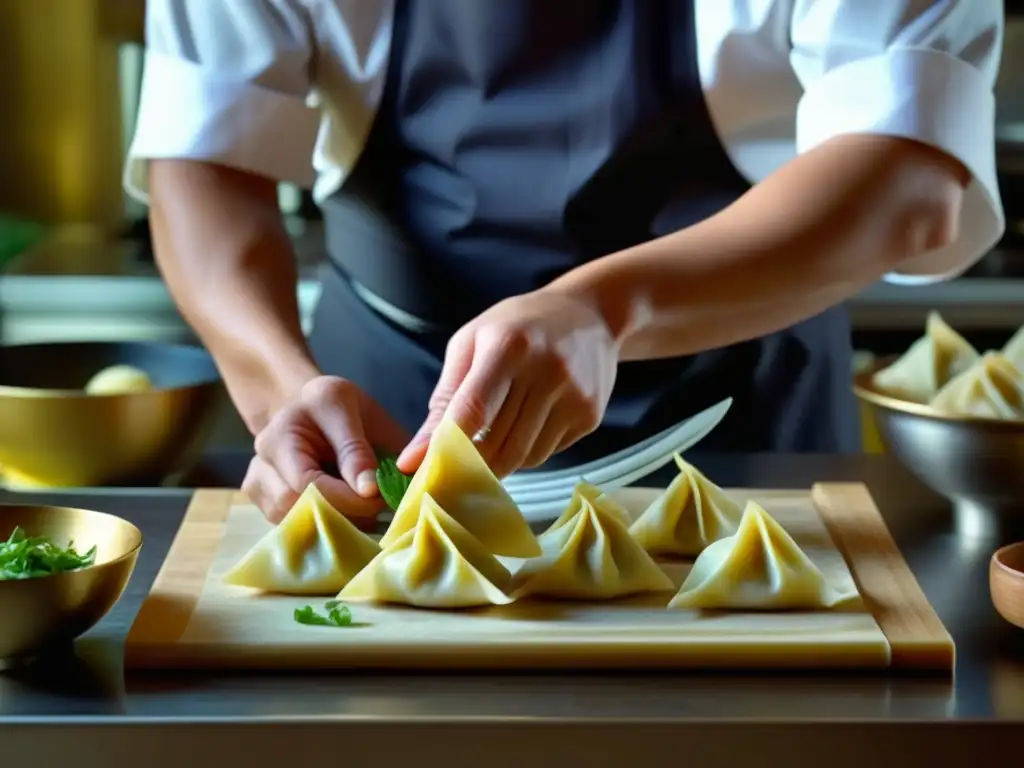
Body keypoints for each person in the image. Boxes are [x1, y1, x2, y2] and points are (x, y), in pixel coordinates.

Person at [126, 0, 1004, 523]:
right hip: (389, 435)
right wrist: (284, 395)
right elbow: (205, 160)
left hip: (748, 425)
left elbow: (909, 178)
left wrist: (605, 310)